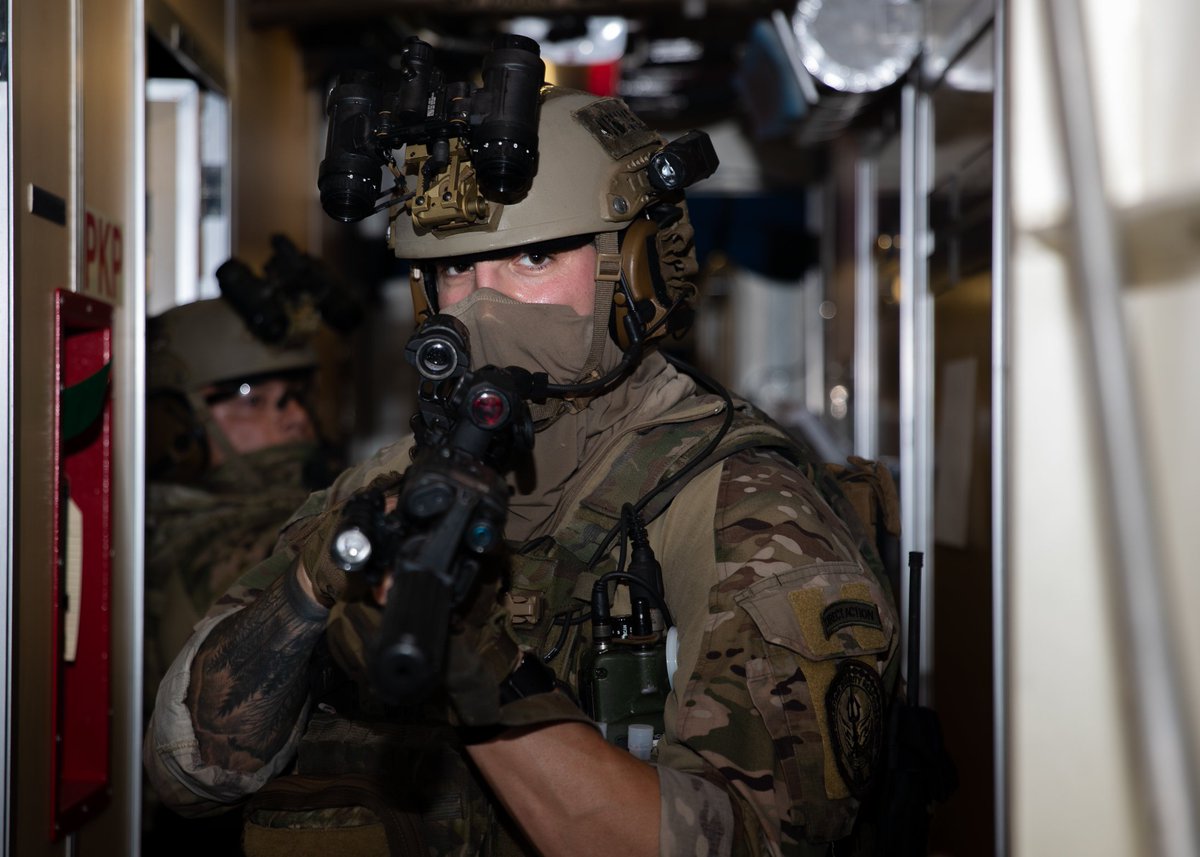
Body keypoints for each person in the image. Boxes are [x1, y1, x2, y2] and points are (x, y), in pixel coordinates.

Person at [145, 60, 900, 857]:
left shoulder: (741, 504)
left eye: (533, 260)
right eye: (454, 268)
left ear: (634, 270)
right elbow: (191, 769)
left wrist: (472, 669)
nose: (479, 305)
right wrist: (311, 584)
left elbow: (752, 842)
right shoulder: (383, 482)